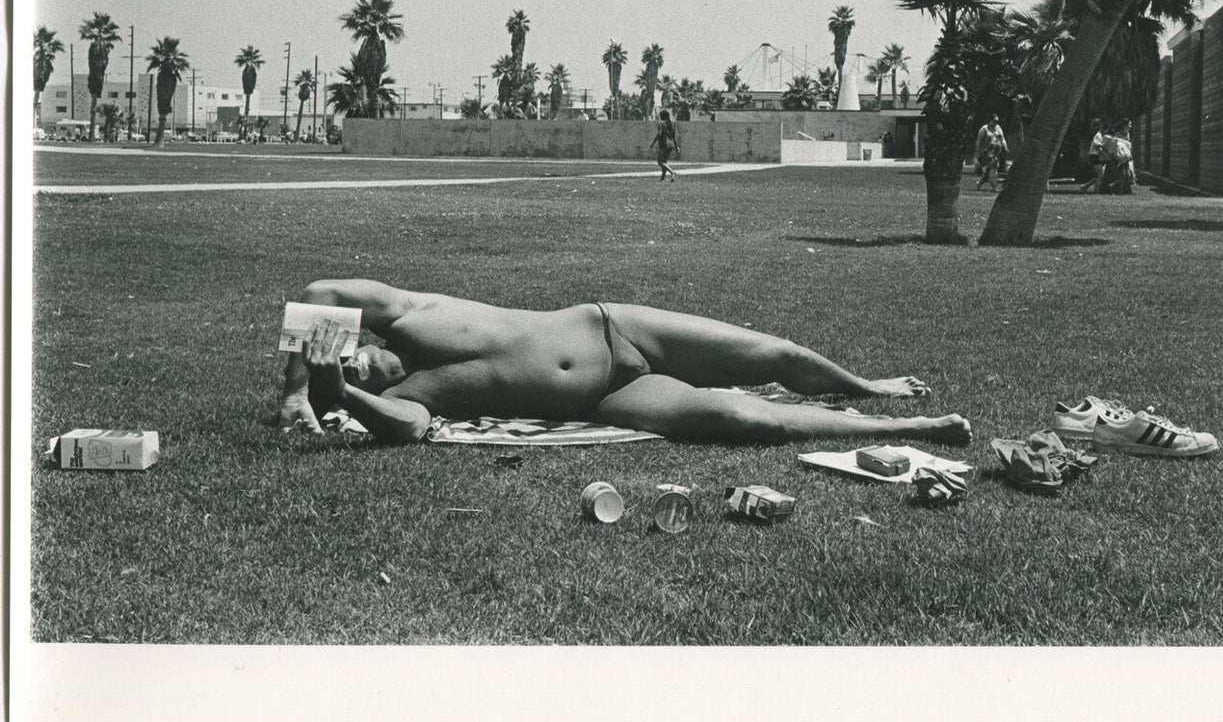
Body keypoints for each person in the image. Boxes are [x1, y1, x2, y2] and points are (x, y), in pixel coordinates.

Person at [278, 279, 973, 447]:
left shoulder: (410, 311)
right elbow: (406, 429)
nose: (356, 367)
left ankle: (868, 386)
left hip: (615, 327)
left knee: (778, 356)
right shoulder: (418, 395)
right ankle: (910, 428)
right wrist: (340, 396)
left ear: (356, 336)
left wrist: (295, 390)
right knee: (746, 419)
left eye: (349, 357)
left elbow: (318, 293)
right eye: (348, 371)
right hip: (602, 402)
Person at [974, 114, 1007, 190]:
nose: (996, 123)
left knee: (988, 171)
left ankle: (979, 184)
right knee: (993, 170)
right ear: (989, 121)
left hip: (995, 153)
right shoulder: (984, 129)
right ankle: (995, 187)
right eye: (994, 121)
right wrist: (977, 154)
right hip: (986, 154)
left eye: (997, 121)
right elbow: (978, 142)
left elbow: (1002, 138)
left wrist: (1005, 146)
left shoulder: (998, 128)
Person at [651, 109, 679, 182]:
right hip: (671, 145)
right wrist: (677, 146)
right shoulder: (672, 124)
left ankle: (673, 173)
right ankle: (662, 178)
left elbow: (659, 134)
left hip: (664, 144)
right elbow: (674, 137)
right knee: (664, 162)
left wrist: (653, 143)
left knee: (660, 162)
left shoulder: (661, 123)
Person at [1081, 118, 1107, 193]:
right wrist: (1105, 155)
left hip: (1095, 156)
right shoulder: (1097, 135)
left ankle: (1085, 186)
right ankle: (1096, 192)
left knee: (1100, 175)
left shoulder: (1096, 134)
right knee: (1100, 175)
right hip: (1095, 156)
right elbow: (1098, 147)